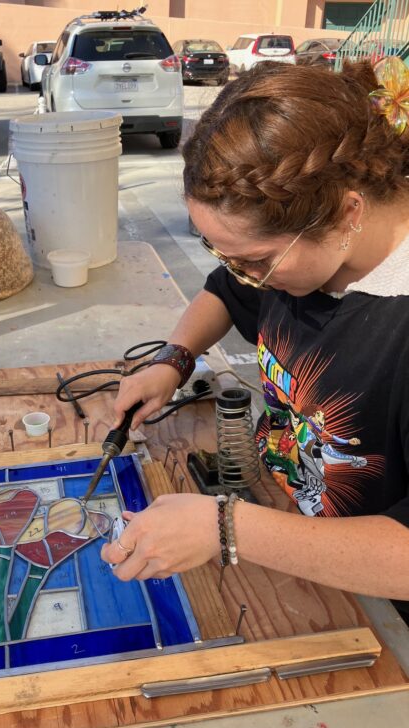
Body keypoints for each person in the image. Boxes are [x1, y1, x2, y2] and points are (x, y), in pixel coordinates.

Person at [100, 58, 409, 608]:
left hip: (377, 605)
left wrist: (227, 530)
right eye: (222, 253)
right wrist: (172, 360)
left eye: (257, 260)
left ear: (345, 214)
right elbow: (224, 291)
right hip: (286, 529)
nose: (245, 275)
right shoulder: (304, 257)